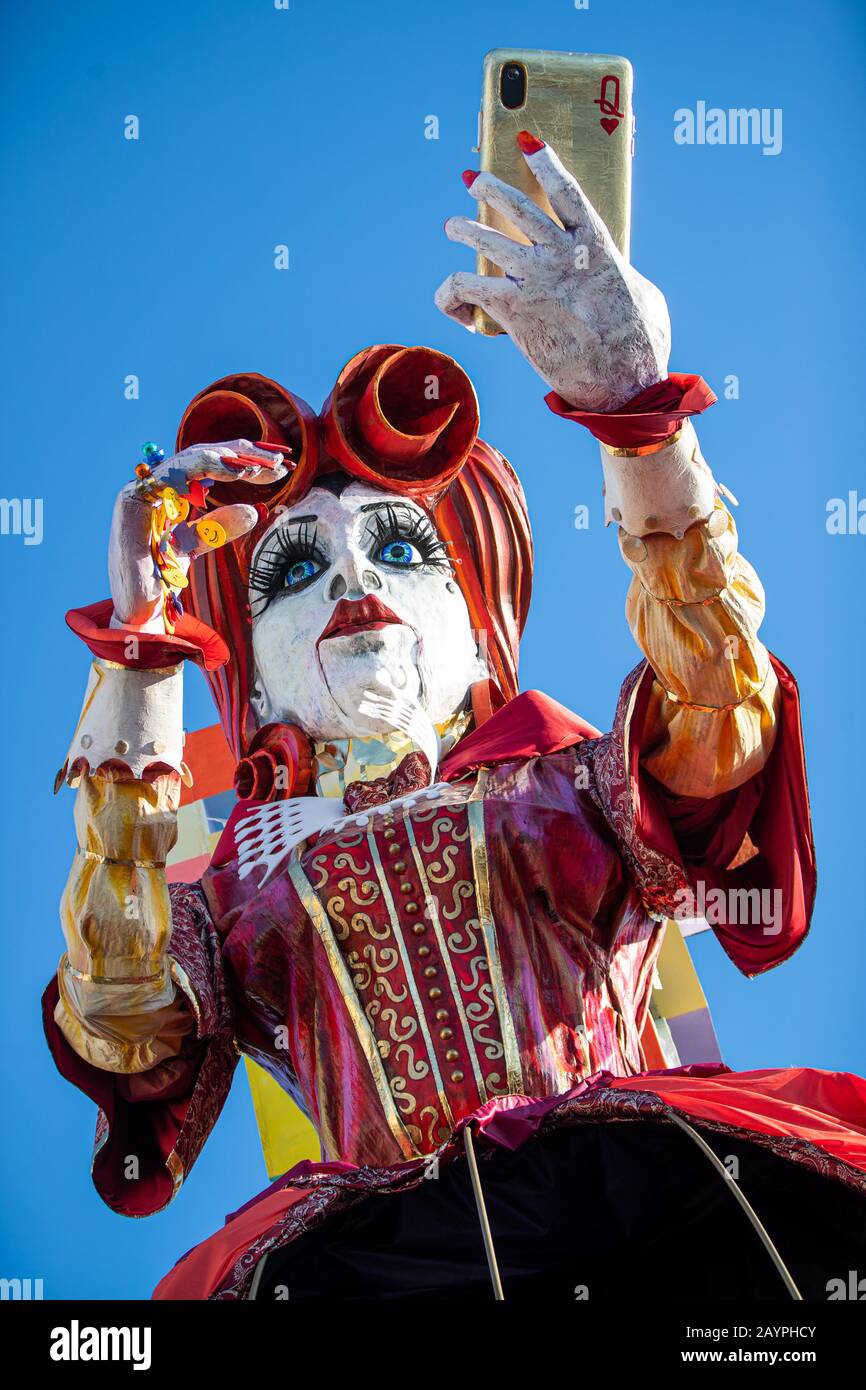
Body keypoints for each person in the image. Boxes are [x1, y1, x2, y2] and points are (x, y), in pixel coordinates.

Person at [44, 135, 865, 1300]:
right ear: (258, 681)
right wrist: (142, 648)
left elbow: (720, 721)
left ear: (480, 624)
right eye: (286, 570)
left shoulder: (566, 780)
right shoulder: (232, 879)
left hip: (635, 1212)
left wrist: (640, 421)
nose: (346, 582)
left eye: (393, 544)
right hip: (385, 1268)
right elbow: (123, 1016)